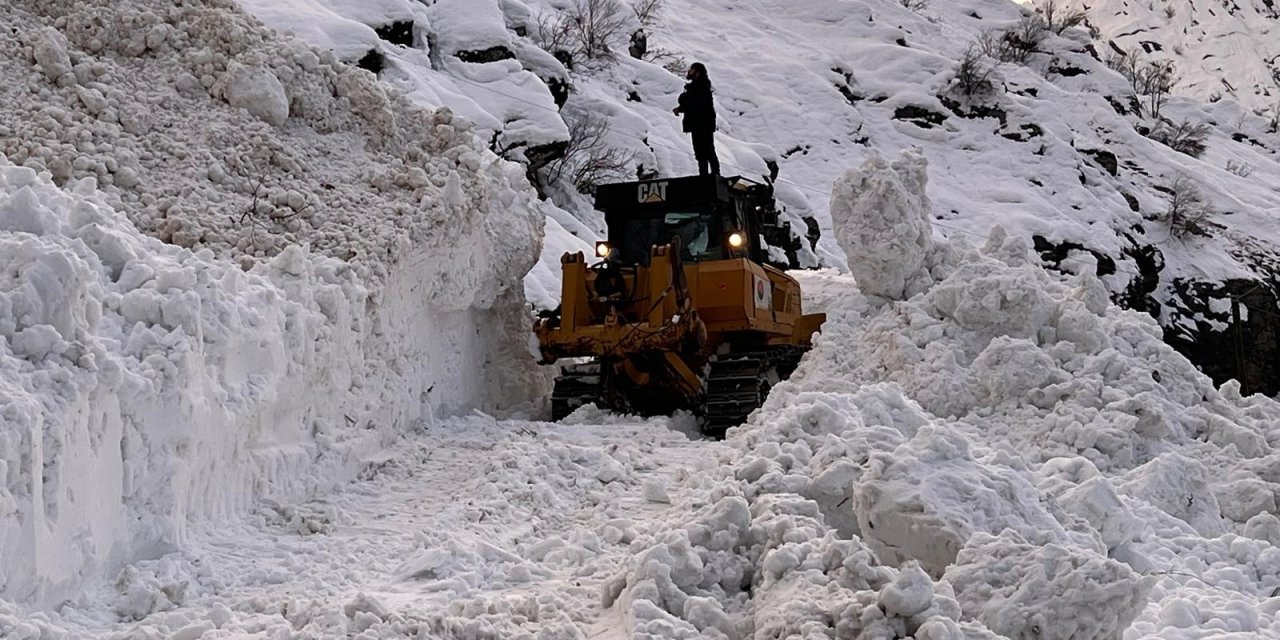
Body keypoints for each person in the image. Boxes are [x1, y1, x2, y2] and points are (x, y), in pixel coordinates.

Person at [672, 62, 719, 176]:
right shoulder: (696, 87)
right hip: (698, 124)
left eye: (691, 69)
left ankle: (714, 175)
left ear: (697, 71)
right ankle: (704, 175)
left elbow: (696, 103)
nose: (689, 71)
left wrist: (683, 102)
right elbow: (693, 103)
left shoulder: (701, 86)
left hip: (703, 123)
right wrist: (681, 108)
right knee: (700, 152)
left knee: (707, 150)